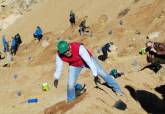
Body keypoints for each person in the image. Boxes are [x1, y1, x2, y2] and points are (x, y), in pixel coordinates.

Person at [53, 40, 123, 103]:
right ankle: (71, 101)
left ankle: (117, 89)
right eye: (64, 52)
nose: (67, 52)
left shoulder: (79, 48)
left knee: (102, 73)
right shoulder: (59, 56)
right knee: (70, 84)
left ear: (69, 47)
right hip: (74, 64)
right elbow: (59, 67)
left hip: (87, 60)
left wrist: (95, 75)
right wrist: (56, 78)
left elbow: (89, 61)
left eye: (68, 50)